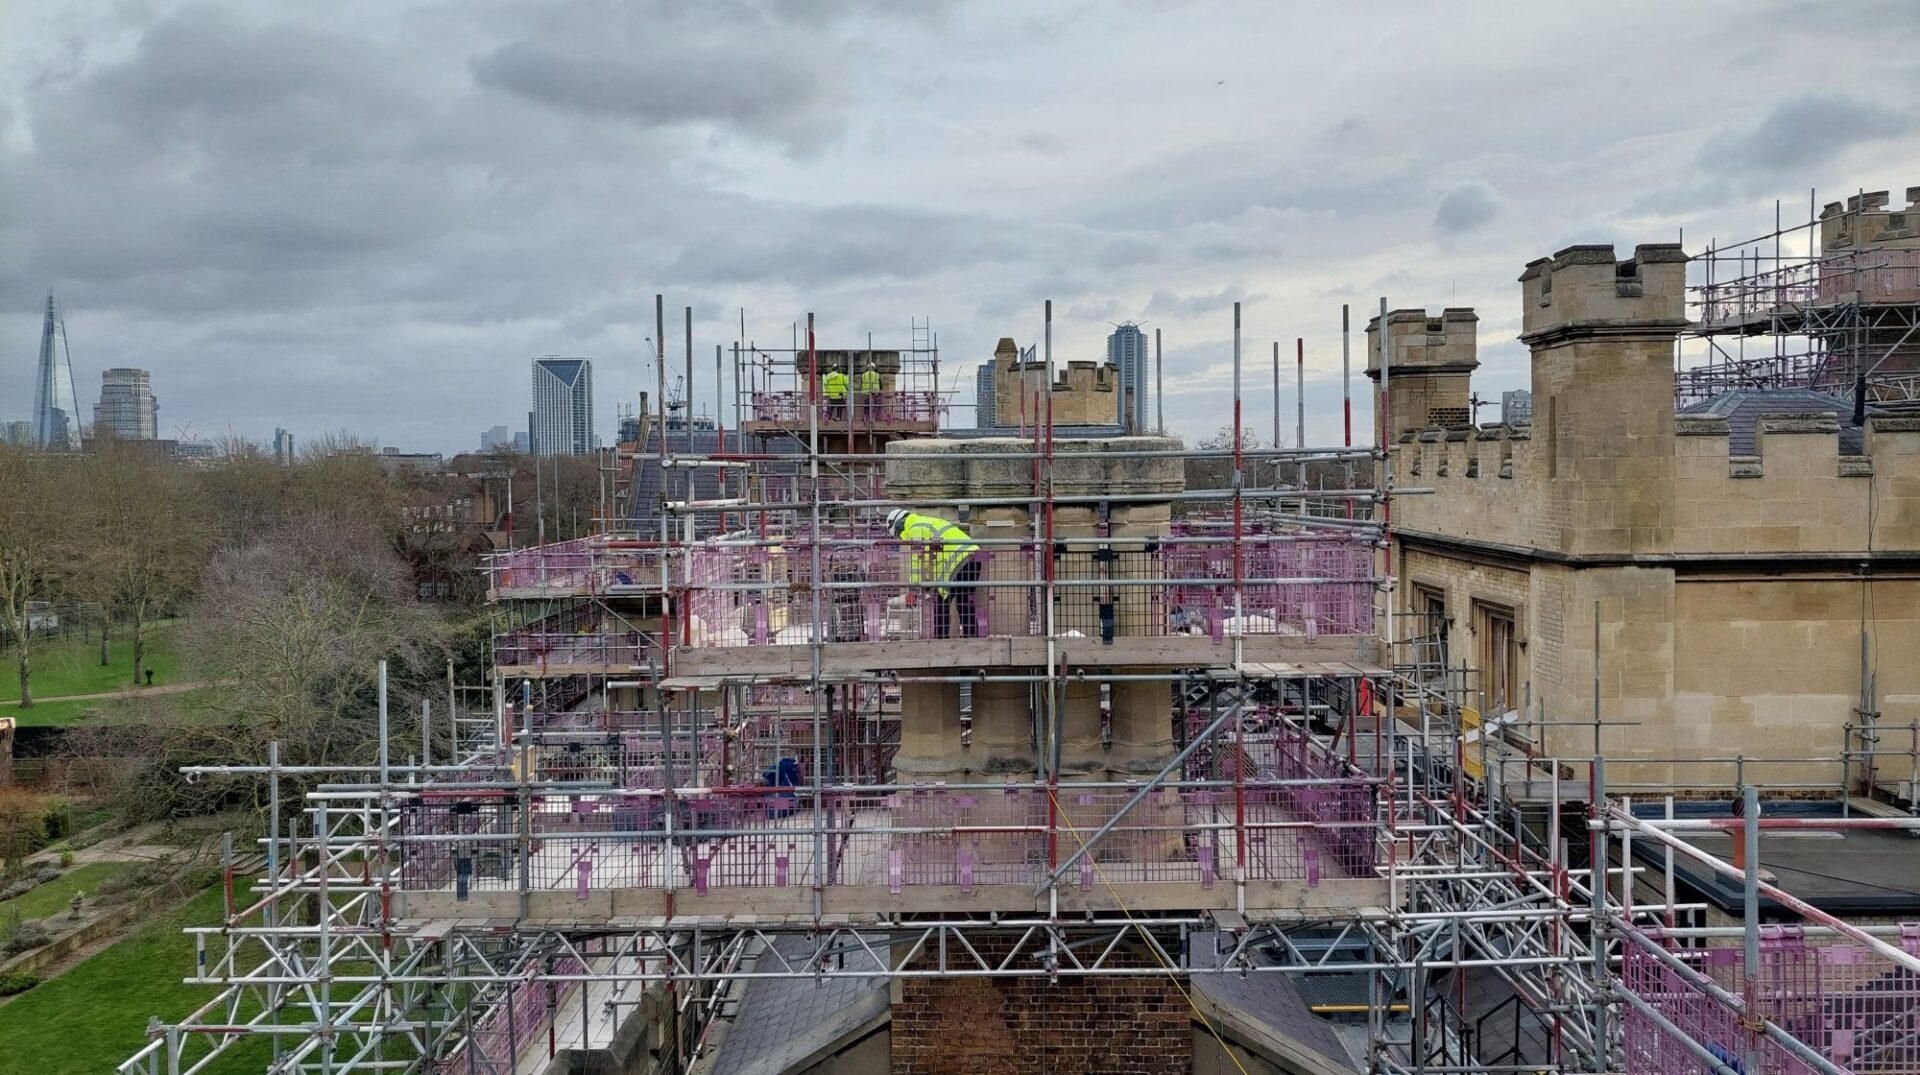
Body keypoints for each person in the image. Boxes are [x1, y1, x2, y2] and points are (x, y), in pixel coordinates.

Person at [886, 508, 983, 639]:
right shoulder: (924, 522)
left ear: (898, 523)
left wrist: (913, 590)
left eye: (899, 533)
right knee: (964, 602)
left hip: (959, 561)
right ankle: (972, 638)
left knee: (941, 602)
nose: (901, 537)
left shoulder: (916, 528)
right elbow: (929, 559)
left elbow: (917, 562)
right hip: (973, 557)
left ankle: (941, 640)